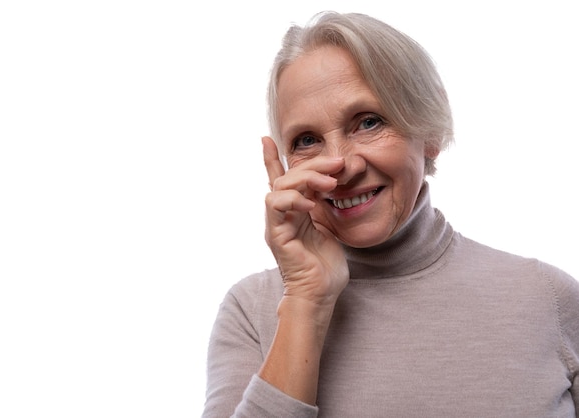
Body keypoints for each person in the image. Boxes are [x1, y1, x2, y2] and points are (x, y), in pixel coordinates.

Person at [202, 11, 579, 417]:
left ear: (429, 131)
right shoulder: (252, 310)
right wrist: (306, 302)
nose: (339, 164)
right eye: (307, 140)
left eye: (368, 122)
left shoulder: (547, 299)